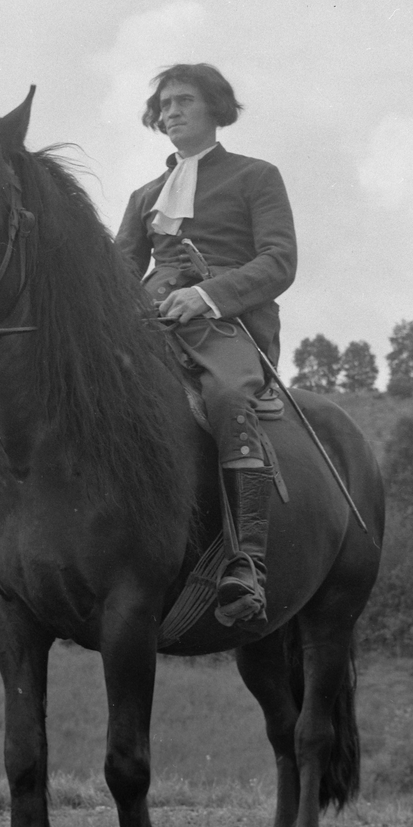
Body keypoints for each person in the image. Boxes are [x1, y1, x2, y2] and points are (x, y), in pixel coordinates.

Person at [115, 63, 297, 628]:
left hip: (228, 324)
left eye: (183, 101)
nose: (170, 112)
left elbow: (279, 261)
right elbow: (120, 273)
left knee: (225, 397)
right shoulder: (145, 195)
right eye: (163, 105)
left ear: (214, 107)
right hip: (151, 319)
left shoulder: (256, 176)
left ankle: (247, 563)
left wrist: (208, 295)